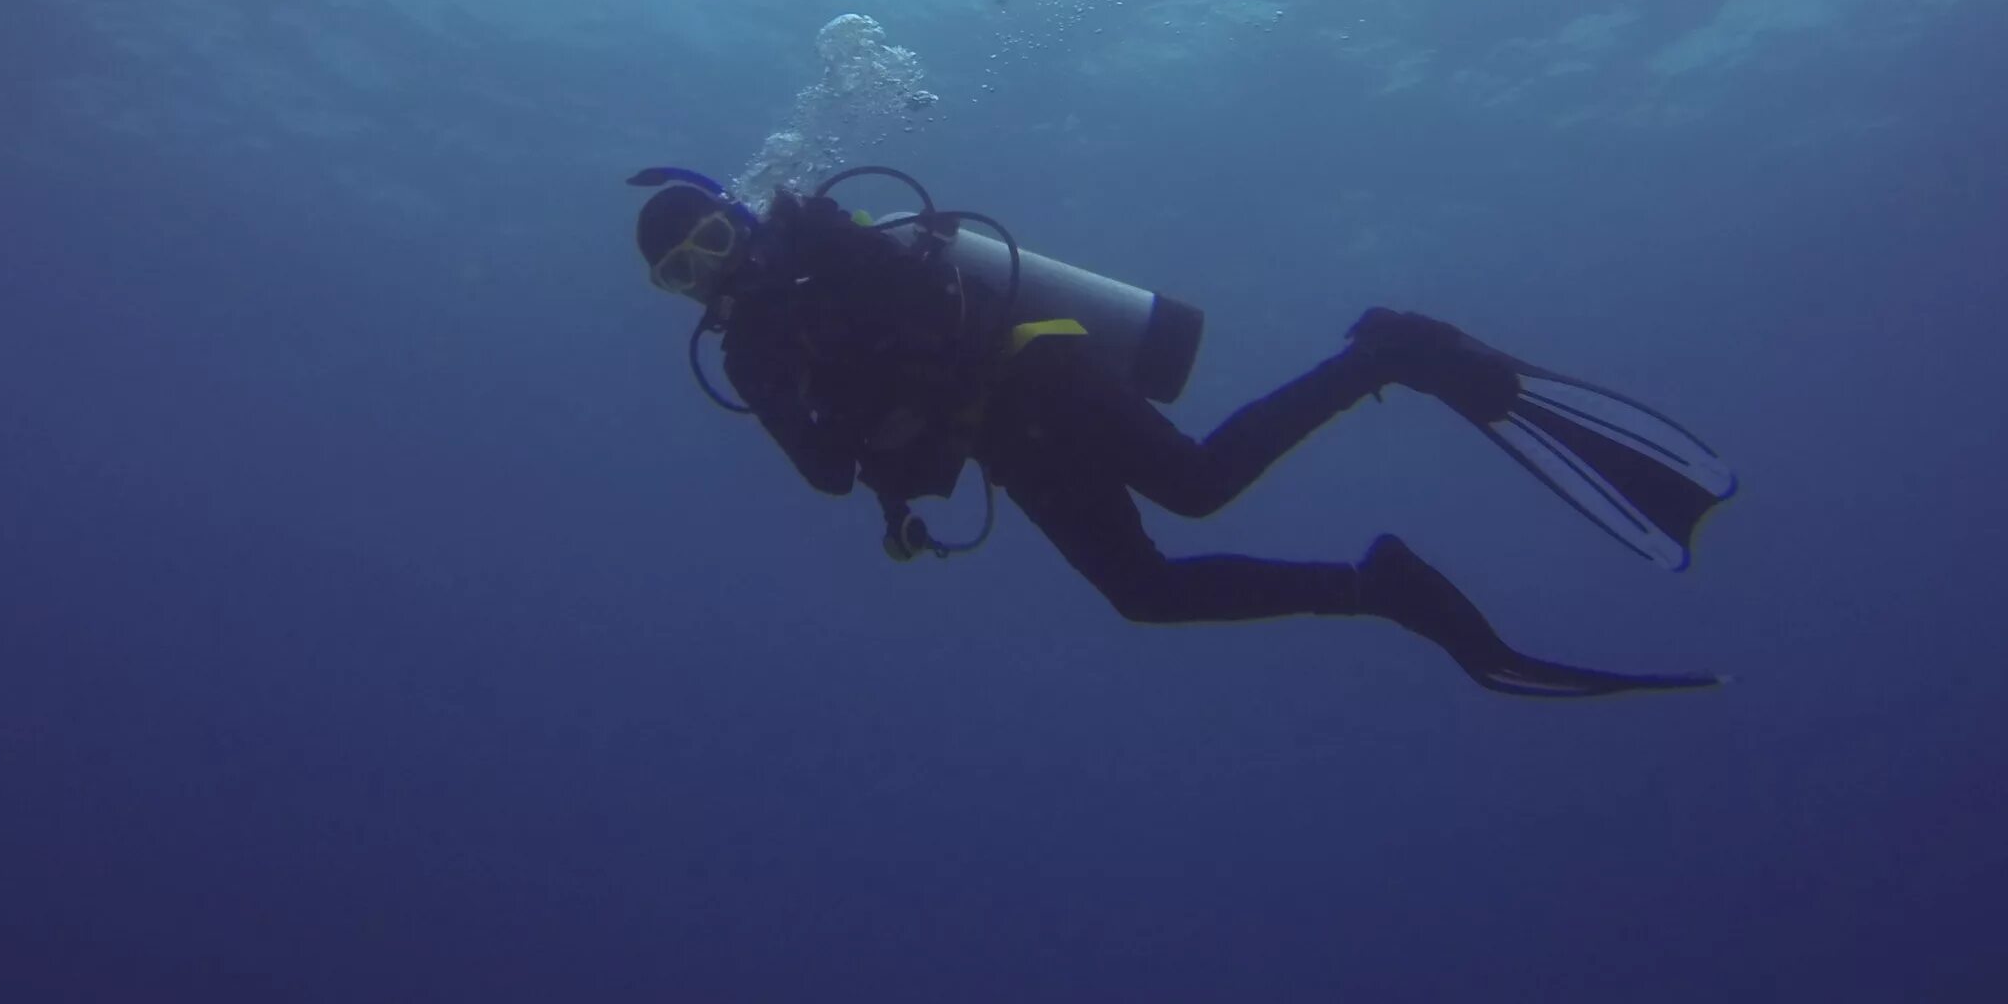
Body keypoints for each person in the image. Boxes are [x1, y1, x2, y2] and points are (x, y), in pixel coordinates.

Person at [630, 165, 1737, 699]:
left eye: (716, 238)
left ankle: (1385, 355)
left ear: (742, 212)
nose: (715, 271)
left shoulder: (832, 245)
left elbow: (924, 318)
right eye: (685, 271)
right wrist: (779, 383)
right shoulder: (748, 359)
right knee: (1143, 594)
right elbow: (831, 475)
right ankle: (1380, 586)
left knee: (1200, 486)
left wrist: (819, 307)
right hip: (1011, 441)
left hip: (1037, 373)